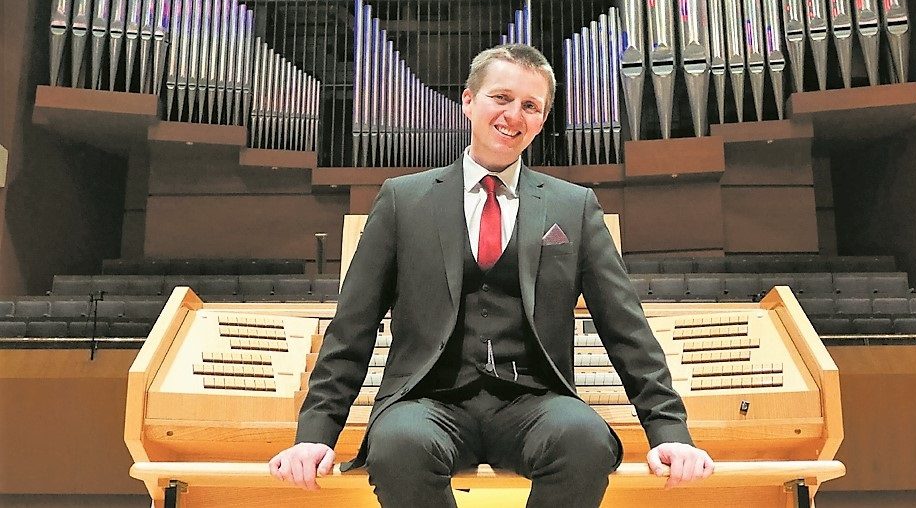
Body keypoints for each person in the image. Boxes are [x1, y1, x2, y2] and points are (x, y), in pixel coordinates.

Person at [270, 44, 713, 507]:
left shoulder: (574, 207)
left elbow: (626, 328)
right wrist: (315, 433)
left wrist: (669, 431)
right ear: (468, 101)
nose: (513, 115)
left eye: (530, 105)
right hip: (426, 404)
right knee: (397, 445)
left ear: (542, 119)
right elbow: (352, 327)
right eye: (500, 98)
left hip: (534, 403)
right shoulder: (403, 200)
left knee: (585, 439)